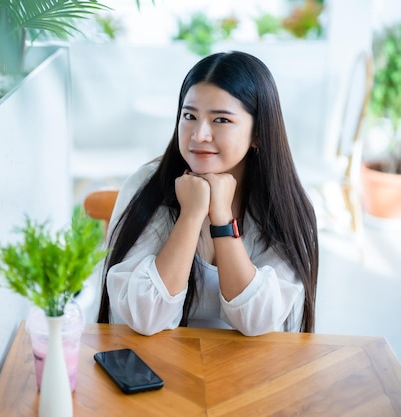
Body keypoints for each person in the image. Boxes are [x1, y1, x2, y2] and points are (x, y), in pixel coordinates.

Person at [96, 51, 318, 336]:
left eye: (221, 120)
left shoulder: (285, 206)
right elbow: (144, 316)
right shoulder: (145, 187)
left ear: (258, 133)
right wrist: (190, 215)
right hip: (155, 366)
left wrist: (222, 217)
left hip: (250, 372)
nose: (198, 135)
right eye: (189, 116)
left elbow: (257, 320)